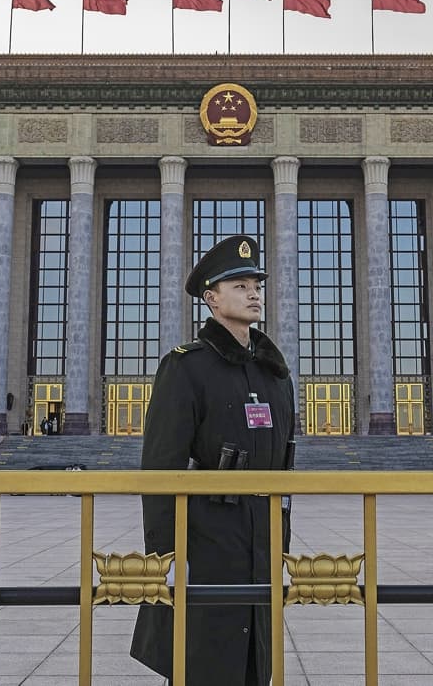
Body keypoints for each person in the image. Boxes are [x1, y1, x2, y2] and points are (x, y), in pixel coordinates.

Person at [130, 235, 296, 686]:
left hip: (260, 540)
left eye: (255, 283)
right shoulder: (186, 367)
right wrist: (165, 556)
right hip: (206, 542)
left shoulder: (274, 374)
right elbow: (160, 470)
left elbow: (285, 465)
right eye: (239, 285)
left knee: (255, 664)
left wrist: (281, 537)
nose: (253, 292)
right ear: (211, 298)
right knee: (203, 661)